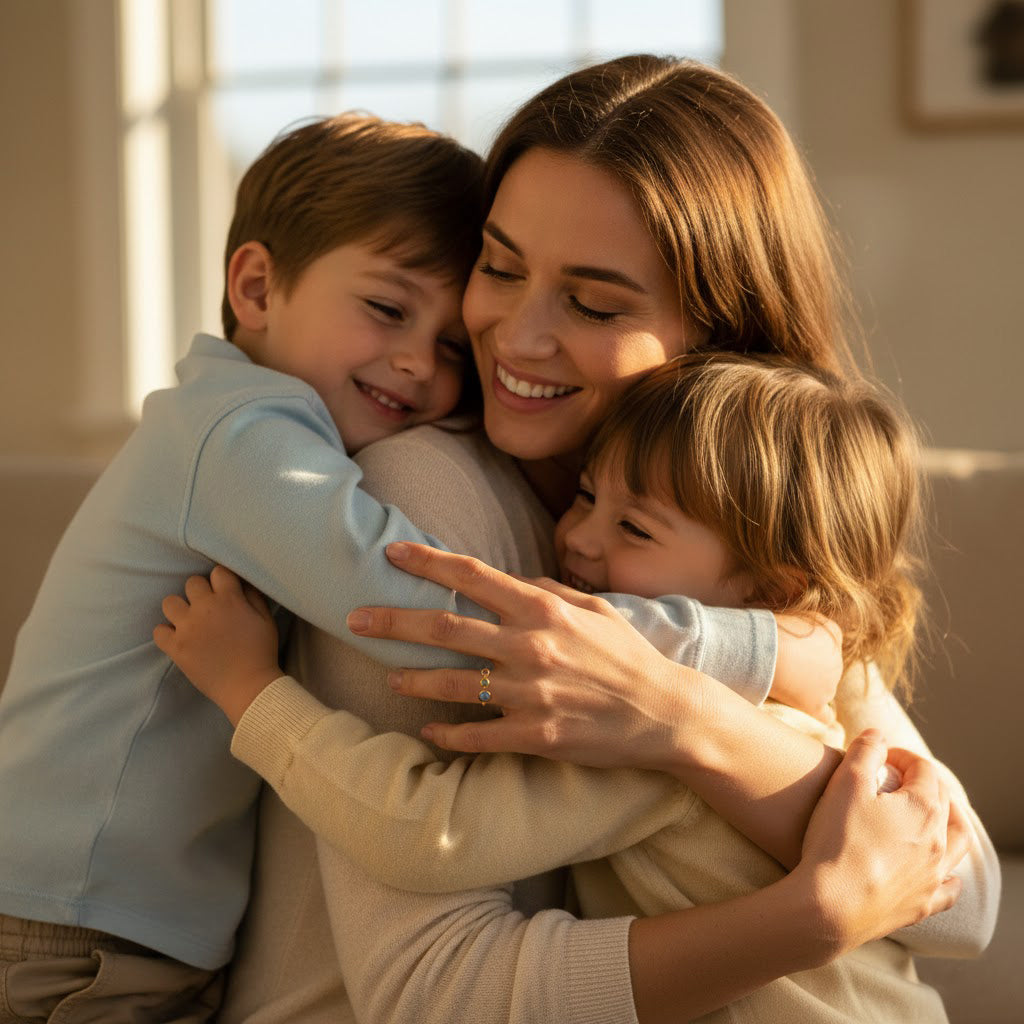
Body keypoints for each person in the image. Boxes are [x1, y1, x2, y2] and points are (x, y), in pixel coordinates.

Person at [186, 57, 996, 1023]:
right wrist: (815, 910)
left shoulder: (739, 525)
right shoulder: (419, 500)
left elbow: (962, 895)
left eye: (596, 304)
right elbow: (427, 988)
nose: (515, 338)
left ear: (719, 337)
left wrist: (684, 722)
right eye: (499, 265)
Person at [161, 351, 974, 1023]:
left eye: (634, 527)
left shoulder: (648, 747)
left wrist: (253, 696)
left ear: (771, 587)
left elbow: (426, 829)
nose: (576, 539)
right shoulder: (811, 689)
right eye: (589, 494)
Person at [0, 112, 490, 1020]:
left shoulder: (236, 418)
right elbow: (419, 622)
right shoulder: (242, 436)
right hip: (73, 934)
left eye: (455, 347)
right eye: (387, 308)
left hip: (118, 925)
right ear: (258, 288)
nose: (420, 362)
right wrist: (671, 664)